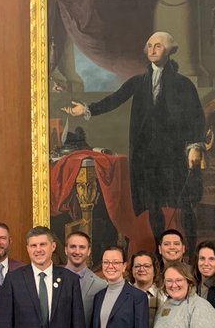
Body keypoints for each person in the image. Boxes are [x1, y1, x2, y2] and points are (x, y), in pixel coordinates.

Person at [62, 31, 206, 241]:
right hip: (147, 158)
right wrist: (85, 109)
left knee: (185, 205)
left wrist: (195, 146)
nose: (152, 49)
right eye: (149, 46)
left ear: (169, 50)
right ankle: (158, 252)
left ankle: (192, 253)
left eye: (158, 46)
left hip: (175, 156)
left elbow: (196, 117)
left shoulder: (184, 84)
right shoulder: (138, 81)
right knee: (153, 207)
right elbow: (114, 99)